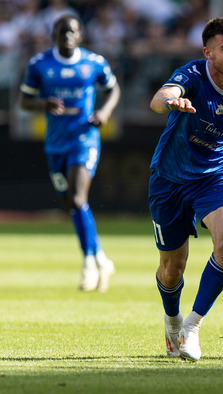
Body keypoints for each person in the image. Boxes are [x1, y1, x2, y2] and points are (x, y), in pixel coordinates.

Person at [148, 17, 223, 362]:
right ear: (208, 52)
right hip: (169, 178)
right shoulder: (193, 76)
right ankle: (172, 322)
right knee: (173, 268)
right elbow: (160, 97)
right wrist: (172, 102)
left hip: (217, 175)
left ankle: (192, 327)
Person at [19, 15, 120, 293]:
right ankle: (102, 258)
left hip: (84, 139)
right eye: (62, 31)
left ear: (80, 35)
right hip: (54, 144)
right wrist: (43, 103)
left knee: (77, 198)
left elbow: (112, 89)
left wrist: (104, 112)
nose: (67, 36)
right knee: (71, 205)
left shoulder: (93, 62)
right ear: (54, 34)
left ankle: (88, 263)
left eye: (72, 31)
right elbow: (23, 100)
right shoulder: (40, 64)